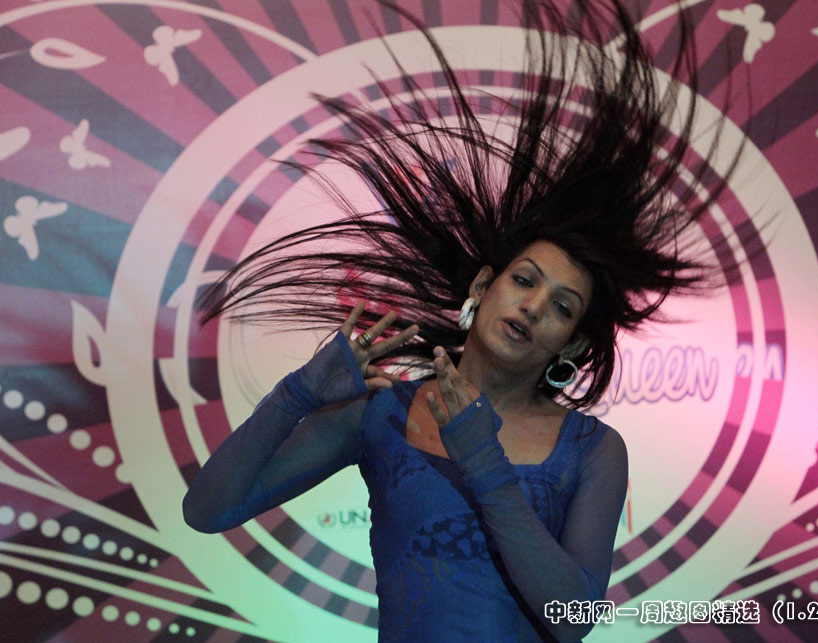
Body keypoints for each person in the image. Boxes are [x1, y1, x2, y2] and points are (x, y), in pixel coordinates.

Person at [183, 1, 731, 640]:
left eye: (561, 307)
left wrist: (484, 462)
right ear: (481, 288)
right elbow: (207, 511)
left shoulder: (594, 449)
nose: (533, 306)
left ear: (571, 344)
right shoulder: (381, 416)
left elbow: (573, 621)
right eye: (524, 281)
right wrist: (296, 396)